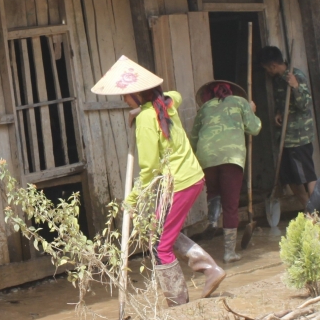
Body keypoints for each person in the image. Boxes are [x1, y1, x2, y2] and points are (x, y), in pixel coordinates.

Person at [92, 56, 225, 306]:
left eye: (126, 96)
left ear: (136, 95)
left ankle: (178, 302)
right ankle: (208, 268)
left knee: (160, 246)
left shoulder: (145, 120)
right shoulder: (166, 102)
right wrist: (139, 109)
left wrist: (132, 198)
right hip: (190, 178)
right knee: (161, 233)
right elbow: (176, 94)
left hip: (180, 184)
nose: (123, 100)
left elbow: (149, 168)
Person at [189, 81, 261, 262]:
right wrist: (251, 111)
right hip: (232, 156)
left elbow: (194, 137)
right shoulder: (240, 102)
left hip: (207, 156)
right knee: (230, 205)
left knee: (214, 192)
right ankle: (229, 253)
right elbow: (254, 128)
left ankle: (213, 220)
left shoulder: (204, 108)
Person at [259, 46, 316, 209]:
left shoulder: (297, 76)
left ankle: (316, 210)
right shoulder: (277, 80)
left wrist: (296, 86)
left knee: (307, 175)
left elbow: (304, 105)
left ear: (272, 66)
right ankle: (308, 207)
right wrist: (278, 113)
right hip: (285, 137)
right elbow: (283, 103)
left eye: (266, 68)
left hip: (300, 136)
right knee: (290, 177)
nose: (266, 72)